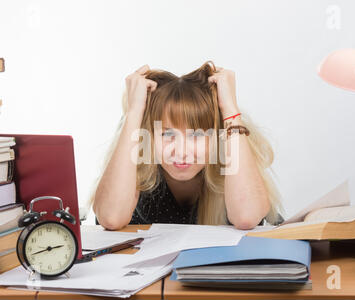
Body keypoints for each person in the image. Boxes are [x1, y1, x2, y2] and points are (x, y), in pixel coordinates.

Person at [88, 61, 284, 230]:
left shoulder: (232, 170)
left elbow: (247, 216)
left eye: (197, 135)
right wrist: (134, 113)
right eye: (167, 134)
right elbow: (110, 218)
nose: (181, 152)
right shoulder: (138, 174)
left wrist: (230, 110)